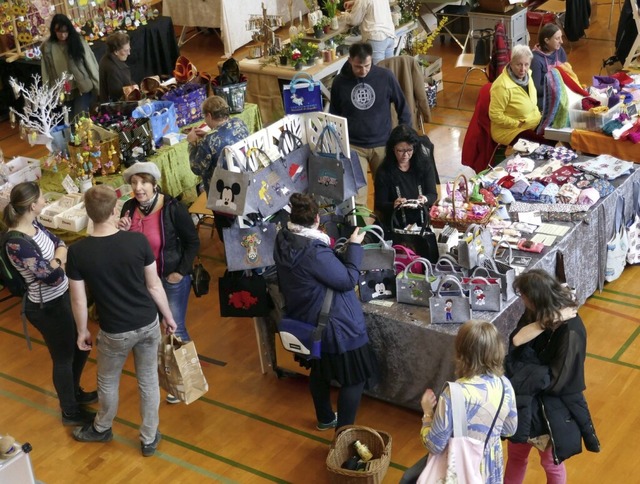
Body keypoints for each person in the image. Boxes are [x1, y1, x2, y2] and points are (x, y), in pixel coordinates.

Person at [67, 185, 177, 457]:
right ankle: (149, 437)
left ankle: (102, 427)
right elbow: (154, 286)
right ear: (115, 209)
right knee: (148, 380)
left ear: (88, 214)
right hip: (147, 322)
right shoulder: (137, 242)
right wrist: (168, 316)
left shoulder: (78, 253)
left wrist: (82, 331)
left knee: (107, 381)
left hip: (115, 330)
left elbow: (79, 300)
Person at [273, 193, 378, 431]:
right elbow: (347, 279)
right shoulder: (314, 250)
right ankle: (343, 433)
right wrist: (354, 246)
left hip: (309, 319)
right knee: (355, 378)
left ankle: (325, 417)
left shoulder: (283, 238)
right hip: (336, 325)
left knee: (320, 370)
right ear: (317, 219)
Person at [2, 182, 96, 426]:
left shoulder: (34, 225)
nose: (44, 201)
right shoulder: (17, 243)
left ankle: (74, 391)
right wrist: (59, 260)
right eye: (42, 198)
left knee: (82, 344)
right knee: (63, 357)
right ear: (33, 205)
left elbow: (60, 243)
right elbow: (51, 276)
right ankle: (69, 411)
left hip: (63, 297)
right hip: (47, 308)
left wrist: (57, 259)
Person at [504, 269, 600, 484]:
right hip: (525, 401)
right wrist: (543, 323)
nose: (522, 300)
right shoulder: (535, 313)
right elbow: (516, 343)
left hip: (551, 410)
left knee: (551, 462)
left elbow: (560, 380)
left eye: (523, 295)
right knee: (517, 456)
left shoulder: (571, 330)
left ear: (534, 297)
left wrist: (526, 374)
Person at [401, 319, 518, 484]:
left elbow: (434, 445)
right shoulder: (504, 385)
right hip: (489, 467)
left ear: (462, 352)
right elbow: (509, 429)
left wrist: (427, 413)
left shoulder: (454, 393)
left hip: (457, 468)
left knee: (407, 479)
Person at [118, 162, 199, 358]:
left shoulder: (173, 208)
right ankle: (164, 376)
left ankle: (186, 383)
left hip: (170, 279)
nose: (138, 188)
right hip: (142, 282)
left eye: (144, 182)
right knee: (152, 331)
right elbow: (125, 247)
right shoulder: (128, 208)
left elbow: (193, 242)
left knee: (175, 330)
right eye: (134, 183)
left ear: (154, 184)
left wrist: (179, 273)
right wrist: (121, 232)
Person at [330, 42, 411, 206]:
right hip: (353, 146)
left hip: (382, 143)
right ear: (350, 60)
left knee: (387, 192)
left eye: (367, 66)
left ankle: (384, 227)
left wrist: (404, 136)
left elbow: (403, 106)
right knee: (357, 197)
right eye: (358, 67)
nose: (363, 71)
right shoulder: (339, 82)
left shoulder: (385, 76)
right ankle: (362, 230)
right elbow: (334, 115)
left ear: (371, 60)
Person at [187, 95, 249, 238]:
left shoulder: (209, 141)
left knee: (226, 233)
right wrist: (207, 135)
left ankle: (231, 251)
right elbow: (223, 137)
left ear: (208, 115)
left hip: (224, 194)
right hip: (245, 182)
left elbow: (196, 168)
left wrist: (192, 143)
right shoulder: (239, 123)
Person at [374, 124, 439, 228]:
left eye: (409, 150)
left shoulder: (424, 165)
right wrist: (393, 204)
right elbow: (380, 203)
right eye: (400, 151)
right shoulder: (384, 171)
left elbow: (433, 194)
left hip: (422, 223)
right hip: (396, 225)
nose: (405, 155)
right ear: (392, 149)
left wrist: (425, 199)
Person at [41, 13, 99, 118]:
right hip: (62, 89)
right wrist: (47, 93)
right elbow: (45, 72)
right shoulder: (47, 47)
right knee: (69, 121)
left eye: (65, 31)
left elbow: (90, 63)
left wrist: (98, 85)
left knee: (81, 118)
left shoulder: (78, 41)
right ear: (54, 30)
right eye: (59, 32)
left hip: (81, 87)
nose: (63, 35)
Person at [488, 44, 543, 146]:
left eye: (526, 64)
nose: (523, 69)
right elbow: (495, 115)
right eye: (519, 64)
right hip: (510, 130)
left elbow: (532, 103)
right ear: (511, 63)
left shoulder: (528, 76)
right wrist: (516, 123)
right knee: (545, 144)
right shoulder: (502, 86)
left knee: (555, 134)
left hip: (531, 122)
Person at [343, 0, 396, 64]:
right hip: (389, 33)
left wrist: (345, 14)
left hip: (376, 37)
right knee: (390, 68)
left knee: (377, 70)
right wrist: (355, 2)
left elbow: (354, 20)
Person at [531, 24, 568, 112]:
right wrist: (557, 88)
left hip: (558, 92)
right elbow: (536, 89)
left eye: (561, 37)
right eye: (557, 38)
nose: (561, 41)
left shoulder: (559, 51)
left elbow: (567, 73)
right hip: (543, 97)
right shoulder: (535, 60)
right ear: (547, 40)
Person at [99, 31, 133, 102]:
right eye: (125, 51)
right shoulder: (113, 70)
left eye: (129, 49)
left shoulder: (106, 59)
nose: (129, 53)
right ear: (116, 52)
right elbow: (117, 97)